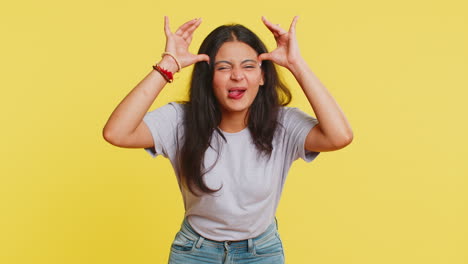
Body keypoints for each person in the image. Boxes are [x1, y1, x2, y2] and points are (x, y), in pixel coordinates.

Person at [103, 15, 353, 264]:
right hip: (195, 252)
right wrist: (168, 64)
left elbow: (339, 136)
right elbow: (116, 132)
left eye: (248, 66)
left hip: (261, 253)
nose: (237, 76)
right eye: (223, 67)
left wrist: (297, 64)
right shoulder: (180, 120)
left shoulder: (283, 124)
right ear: (208, 78)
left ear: (262, 76)